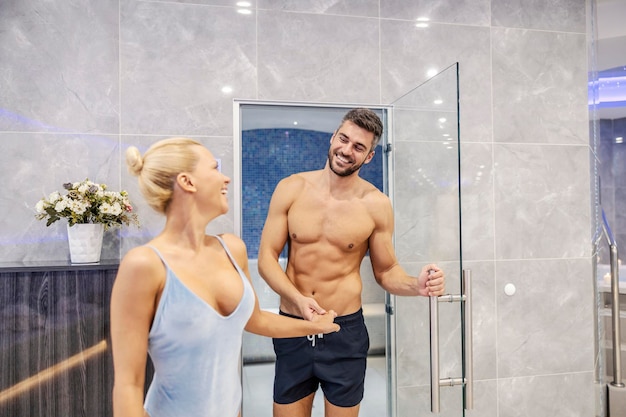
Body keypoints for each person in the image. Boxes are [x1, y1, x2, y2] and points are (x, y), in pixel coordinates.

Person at [109, 137, 340, 417]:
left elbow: (256, 320)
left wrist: (316, 327)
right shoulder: (145, 265)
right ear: (188, 182)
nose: (226, 178)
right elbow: (128, 386)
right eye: (215, 168)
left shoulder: (232, 248)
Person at [258, 108, 446, 417]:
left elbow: (385, 271)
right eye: (343, 139)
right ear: (333, 138)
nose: (346, 150)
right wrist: (298, 300)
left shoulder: (376, 205)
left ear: (369, 157)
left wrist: (417, 284)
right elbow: (266, 258)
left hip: (344, 332)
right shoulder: (290, 188)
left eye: (358, 147)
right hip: (292, 326)